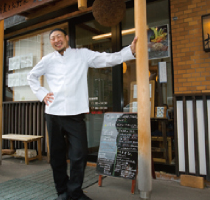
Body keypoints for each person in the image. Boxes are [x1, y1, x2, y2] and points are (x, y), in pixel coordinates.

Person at [28, 28, 137, 200]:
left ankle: (75, 192)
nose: (56, 40)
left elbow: (106, 59)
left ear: (67, 38)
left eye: (58, 36)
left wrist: (129, 51)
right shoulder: (47, 60)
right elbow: (31, 77)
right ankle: (62, 191)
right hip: (53, 114)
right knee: (57, 156)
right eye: (52, 38)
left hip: (75, 114)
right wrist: (42, 94)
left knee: (79, 154)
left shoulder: (82, 55)